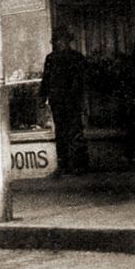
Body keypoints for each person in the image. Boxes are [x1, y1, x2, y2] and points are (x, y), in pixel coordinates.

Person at [40, 26, 88, 175]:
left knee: (75, 132)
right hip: (58, 101)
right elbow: (46, 79)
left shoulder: (77, 58)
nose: (60, 43)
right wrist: (42, 97)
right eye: (58, 40)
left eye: (63, 40)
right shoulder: (51, 59)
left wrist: (80, 99)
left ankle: (79, 165)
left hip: (72, 101)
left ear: (68, 41)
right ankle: (64, 165)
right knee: (61, 133)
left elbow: (82, 81)